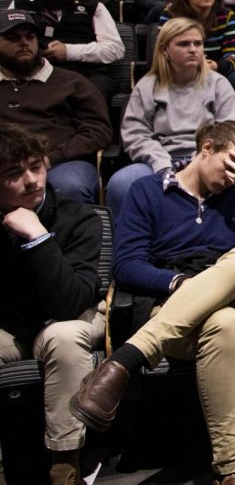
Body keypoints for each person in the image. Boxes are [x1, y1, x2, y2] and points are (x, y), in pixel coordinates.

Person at [70, 121, 235, 485]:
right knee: (223, 324)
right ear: (206, 148)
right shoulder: (147, 192)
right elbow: (126, 266)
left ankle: (124, 361)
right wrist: (179, 283)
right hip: (173, 305)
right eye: (230, 166)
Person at [0, 124, 105, 485]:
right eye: (15, 173)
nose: (31, 181)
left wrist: (38, 237)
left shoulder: (80, 218)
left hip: (70, 318)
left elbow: (71, 303)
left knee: (63, 336)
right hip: (12, 328)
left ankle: (66, 467)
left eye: (36, 167)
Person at [105, 18, 235, 219]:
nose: (193, 49)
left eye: (198, 43)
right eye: (184, 44)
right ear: (165, 50)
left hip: (206, 158)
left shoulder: (218, 84)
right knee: (122, 183)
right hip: (157, 160)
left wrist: (200, 164)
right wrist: (162, 164)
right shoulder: (148, 85)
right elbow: (136, 134)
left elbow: (229, 132)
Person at [0, 9, 112, 204]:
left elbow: (98, 130)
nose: (24, 43)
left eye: (30, 37)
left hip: (61, 163)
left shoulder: (72, 82)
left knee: (69, 185)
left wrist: (51, 158)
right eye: (13, 38)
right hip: (3, 165)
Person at [15, 0, 124, 103]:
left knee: (90, 93)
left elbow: (115, 49)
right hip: (35, 73)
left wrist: (70, 51)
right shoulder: (19, 8)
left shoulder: (91, 6)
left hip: (86, 75)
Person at [160, 0, 235, 93]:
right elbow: (162, 51)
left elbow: (234, 56)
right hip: (179, 69)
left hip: (215, 69)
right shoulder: (171, 15)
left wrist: (216, 66)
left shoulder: (226, 15)